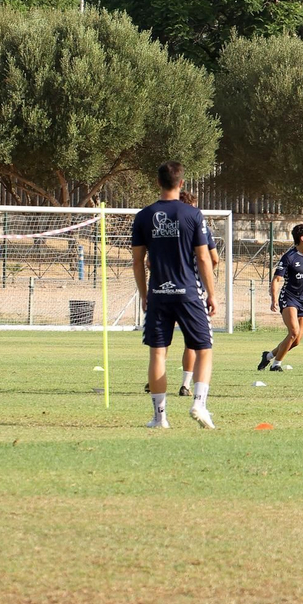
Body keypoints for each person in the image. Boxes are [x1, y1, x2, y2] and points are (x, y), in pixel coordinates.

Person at [131, 162, 219, 429]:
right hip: (189, 293)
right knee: (204, 349)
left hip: (158, 294)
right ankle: (199, 404)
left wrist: (144, 295)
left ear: (158, 183)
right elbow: (204, 258)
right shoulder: (193, 214)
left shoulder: (143, 216)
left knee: (158, 354)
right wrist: (212, 294)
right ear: (181, 183)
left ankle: (160, 418)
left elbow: (138, 262)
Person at [177, 191, 220, 397]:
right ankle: (189, 388)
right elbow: (213, 259)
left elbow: (149, 261)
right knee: (197, 341)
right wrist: (207, 283)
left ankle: (156, 378)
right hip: (191, 289)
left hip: (162, 289)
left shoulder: (162, 225)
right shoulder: (199, 225)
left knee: (160, 342)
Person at [260, 224, 303, 373]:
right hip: (289, 298)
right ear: (302, 238)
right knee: (293, 332)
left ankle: (268, 356)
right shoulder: (289, 257)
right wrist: (273, 299)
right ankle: (276, 365)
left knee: (296, 340)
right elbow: (276, 279)